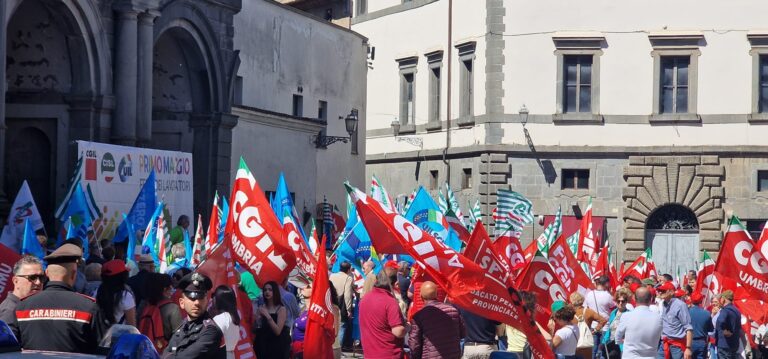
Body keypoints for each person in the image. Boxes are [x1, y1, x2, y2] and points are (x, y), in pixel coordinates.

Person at [12, 244, 102, 353]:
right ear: (74, 275)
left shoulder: (22, 307)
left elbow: (12, 350)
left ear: (47, 273)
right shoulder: (89, 307)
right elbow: (100, 349)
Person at [165, 272, 225, 358]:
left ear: (206, 301)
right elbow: (166, 352)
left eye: (200, 298)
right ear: (182, 303)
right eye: (192, 298)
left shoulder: (210, 331)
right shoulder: (182, 327)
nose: (197, 303)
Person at [409, 281, 464, 359]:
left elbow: (414, 344)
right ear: (437, 294)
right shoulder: (454, 310)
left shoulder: (419, 316)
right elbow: (462, 334)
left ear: (421, 297)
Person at [359, 269, 406, 359]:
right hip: (388, 353)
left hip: (370, 353)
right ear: (395, 284)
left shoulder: (365, 299)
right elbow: (398, 331)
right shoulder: (390, 302)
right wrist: (407, 327)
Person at [137, 272, 183, 353]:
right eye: (170, 287)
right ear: (165, 289)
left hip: (144, 351)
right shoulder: (172, 308)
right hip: (164, 353)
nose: (172, 290)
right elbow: (179, 336)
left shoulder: (144, 306)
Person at [615, 286, 663, 359]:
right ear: (651, 299)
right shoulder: (658, 318)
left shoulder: (626, 316)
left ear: (634, 298)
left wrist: (624, 342)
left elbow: (617, 337)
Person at [0, 256, 44, 324]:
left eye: (41, 277)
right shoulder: (9, 311)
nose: (38, 282)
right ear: (16, 281)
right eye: (32, 277)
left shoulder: (29, 306)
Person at [254, 281, 291, 359]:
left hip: (276, 347)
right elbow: (255, 328)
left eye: (270, 290)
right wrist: (257, 319)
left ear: (275, 292)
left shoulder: (281, 309)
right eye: (265, 290)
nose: (267, 292)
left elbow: (278, 331)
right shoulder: (261, 307)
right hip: (262, 345)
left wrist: (267, 316)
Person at [656, 281, 693, 359]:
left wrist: (688, 348)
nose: (660, 292)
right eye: (660, 290)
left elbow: (688, 327)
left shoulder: (680, 305)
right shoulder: (663, 304)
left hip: (677, 346)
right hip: (664, 343)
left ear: (671, 292)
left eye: (663, 291)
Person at [94, 259, 136, 327]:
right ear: (122, 276)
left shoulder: (97, 292)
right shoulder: (126, 296)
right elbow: (132, 325)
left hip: (99, 335)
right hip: (119, 336)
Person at [585, 275, 616, 359]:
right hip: (605, 326)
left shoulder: (589, 294)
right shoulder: (608, 296)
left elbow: (586, 308)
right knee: (603, 351)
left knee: (593, 350)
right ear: (606, 283)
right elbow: (614, 307)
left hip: (593, 326)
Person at [570, 291, 607, 359]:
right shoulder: (588, 311)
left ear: (572, 301)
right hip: (587, 340)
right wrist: (595, 330)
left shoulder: (570, 313)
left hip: (574, 341)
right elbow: (603, 320)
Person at [211, 285, 241, 359]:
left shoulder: (220, 319)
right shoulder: (232, 316)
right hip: (230, 354)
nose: (212, 299)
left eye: (214, 296)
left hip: (221, 355)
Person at [330, 261, 354, 350]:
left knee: (333, 324)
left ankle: (331, 346)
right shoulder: (348, 278)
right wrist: (348, 309)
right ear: (348, 270)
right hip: (341, 304)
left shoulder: (332, 276)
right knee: (342, 325)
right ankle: (337, 348)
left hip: (331, 302)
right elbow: (347, 295)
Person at [714, 290, 742, 359]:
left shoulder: (725, 310)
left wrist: (724, 330)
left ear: (724, 299)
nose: (720, 300)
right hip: (734, 344)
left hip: (724, 345)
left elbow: (720, 321)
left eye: (721, 298)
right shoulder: (737, 310)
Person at [688, 293, 713, 359]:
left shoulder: (687, 312)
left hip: (689, 342)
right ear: (701, 301)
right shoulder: (707, 313)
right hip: (701, 342)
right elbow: (711, 329)